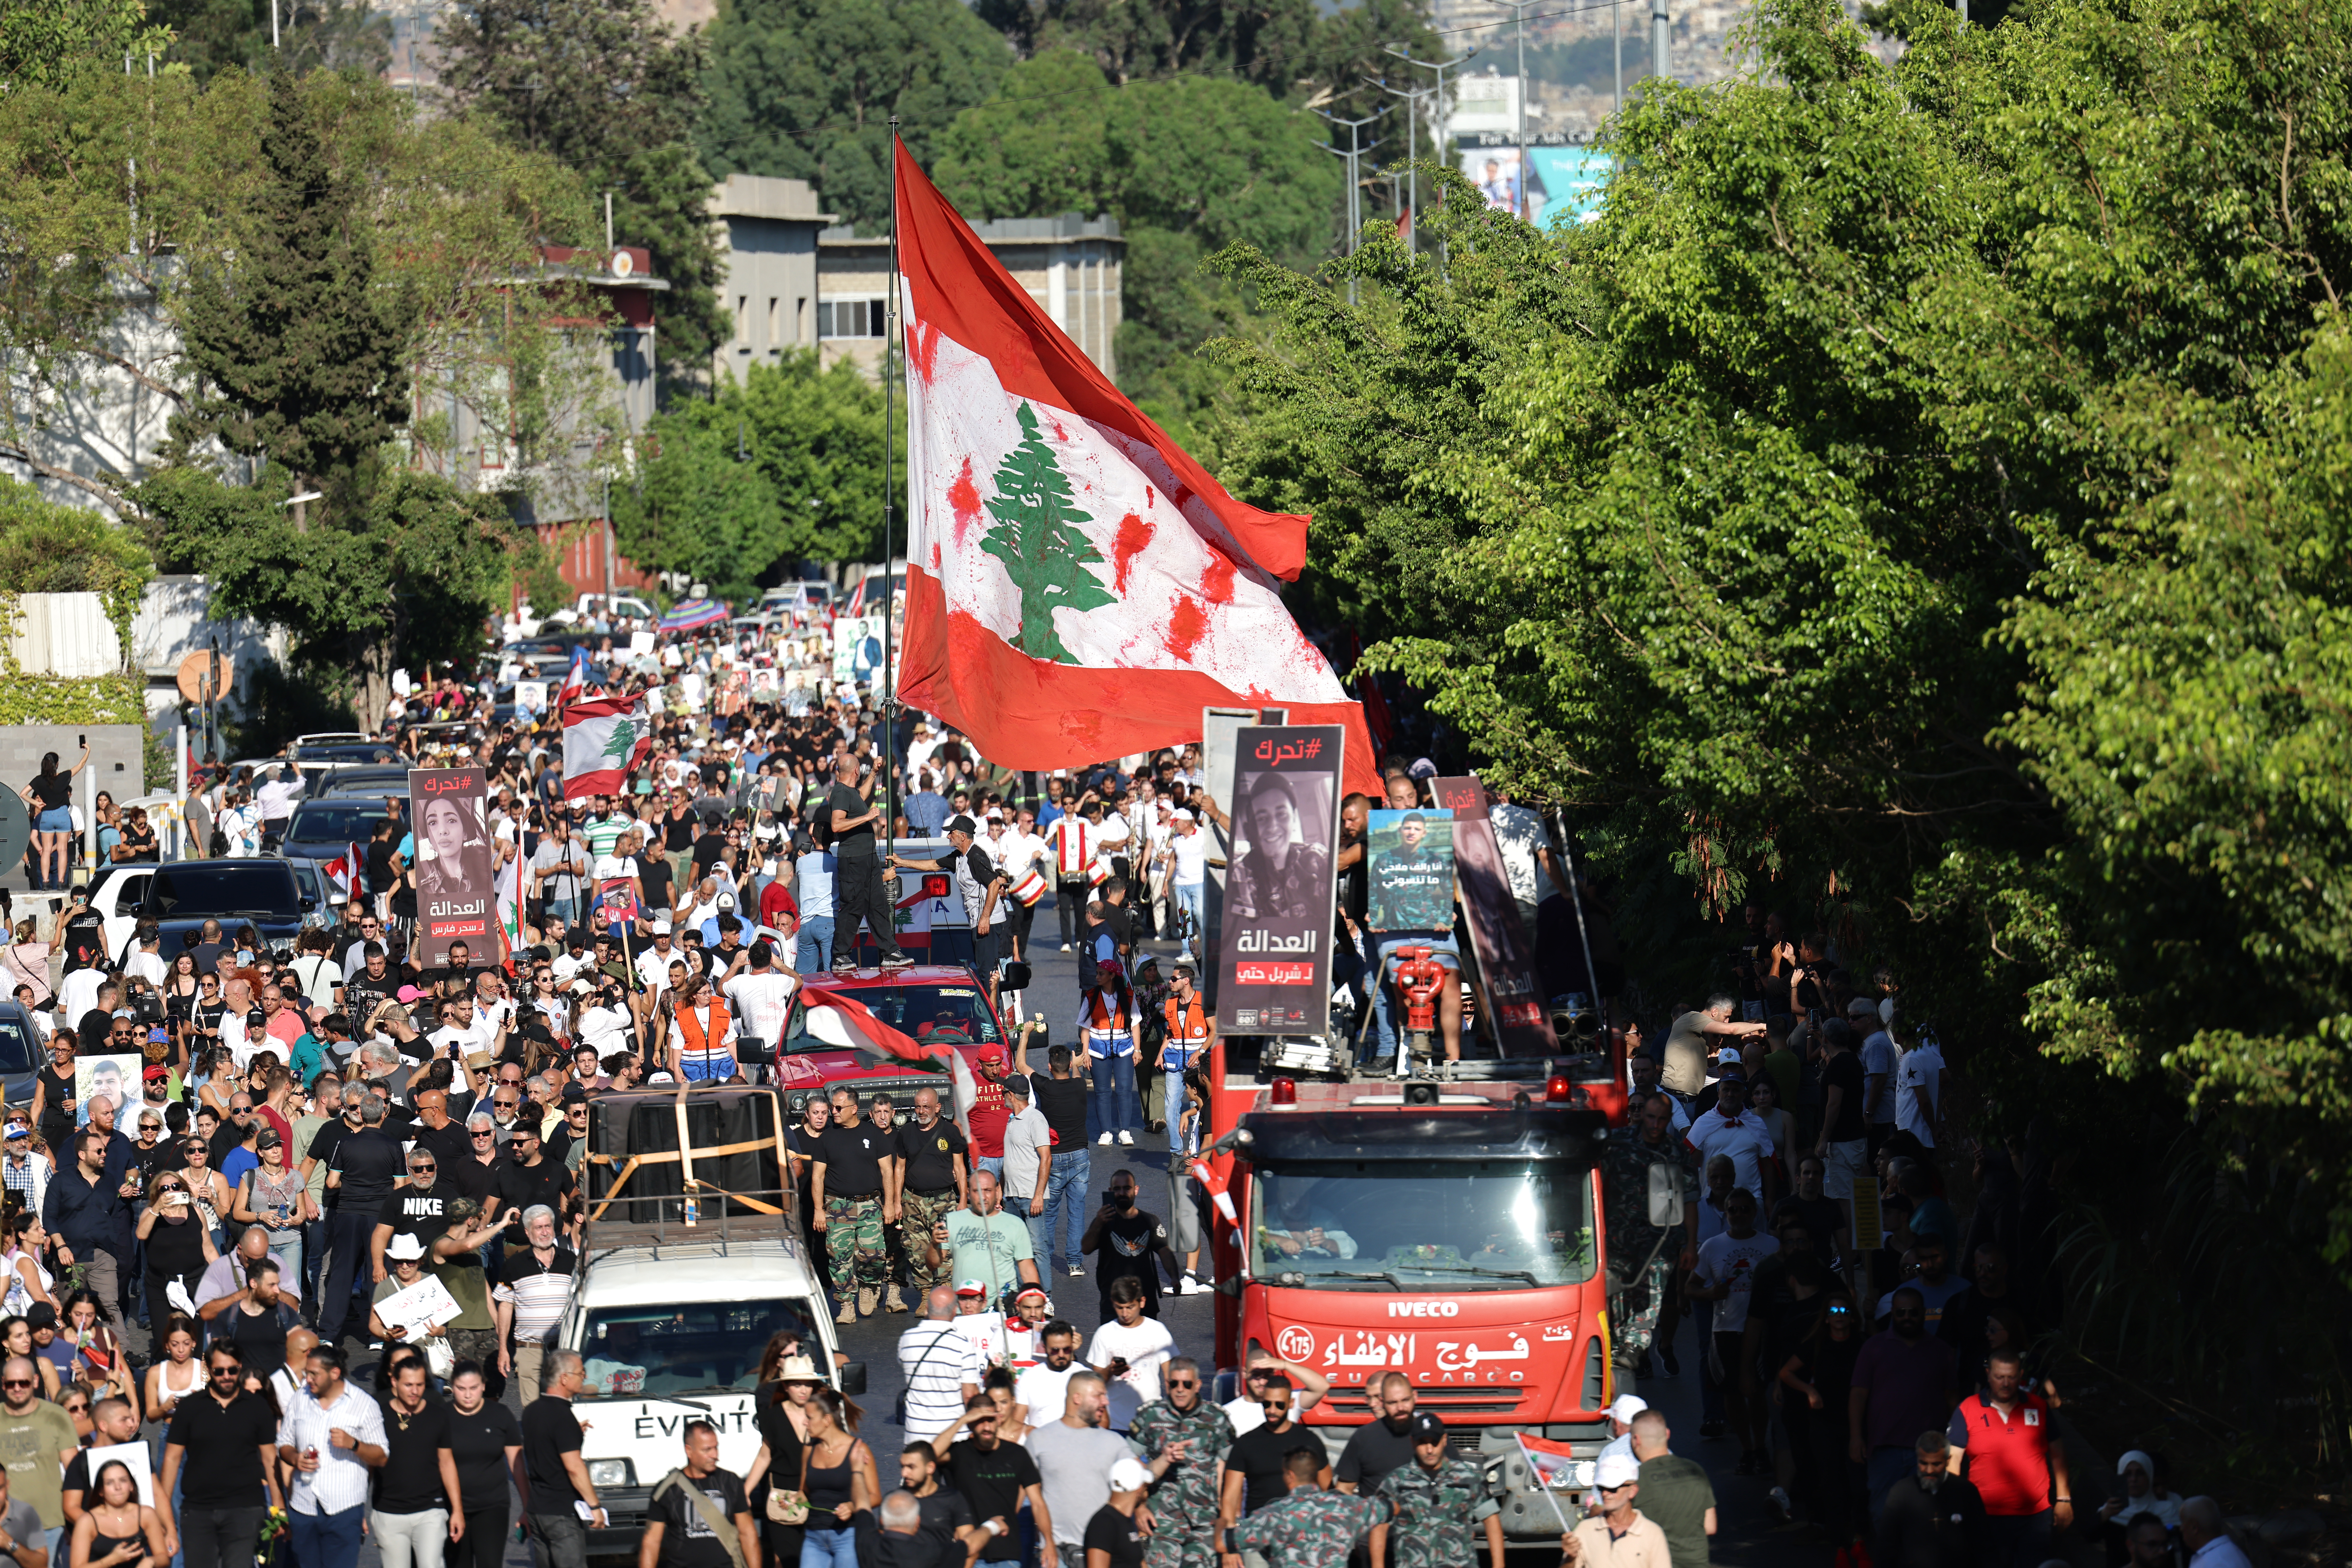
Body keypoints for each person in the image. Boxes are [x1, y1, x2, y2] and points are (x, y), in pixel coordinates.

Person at [160, 1344, 284, 1568]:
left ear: (240, 1368)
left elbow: (269, 1459)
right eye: (219, 1371)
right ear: (209, 1370)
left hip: (245, 1508)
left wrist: (279, 1507)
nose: (226, 1377)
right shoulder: (190, 1407)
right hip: (198, 1510)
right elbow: (171, 1460)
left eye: (232, 1371)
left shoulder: (257, 1407)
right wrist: (165, 1514)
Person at [1946, 1348, 2070, 1568]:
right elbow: (1953, 1461)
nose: (2006, 1383)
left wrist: (2064, 1499)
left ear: (2020, 1375)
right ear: (1988, 1374)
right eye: (1999, 1377)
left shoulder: (2038, 1407)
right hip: (1986, 1516)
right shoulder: (1968, 1409)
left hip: (2036, 1515)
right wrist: (1956, 1505)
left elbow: (2058, 1454)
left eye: (2012, 1377)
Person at [1684, 1186, 1778, 1474]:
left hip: (1761, 1331)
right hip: (1725, 1330)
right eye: (1732, 1209)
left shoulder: (1772, 1245)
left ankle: (1761, 1446)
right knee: (1732, 1394)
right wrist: (1712, 1292)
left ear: (1754, 1212)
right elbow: (1690, 1287)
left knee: (1758, 1392)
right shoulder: (1712, 1246)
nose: (1738, 1214)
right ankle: (1747, 1449)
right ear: (1725, 1214)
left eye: (1744, 1209)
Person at [1605, 1093, 1699, 1373]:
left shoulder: (1676, 1153)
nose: (1655, 1124)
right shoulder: (1617, 1142)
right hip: (1620, 1239)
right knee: (1620, 1296)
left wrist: (1691, 1245)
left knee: (1653, 1293)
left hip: (1661, 1240)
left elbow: (1690, 1199)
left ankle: (1636, 1345)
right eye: (1650, 1117)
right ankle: (1618, 1342)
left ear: (1669, 1120)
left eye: (1661, 1119)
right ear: (1639, 1114)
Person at [1850, 1288, 1959, 1520]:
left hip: (1930, 1450)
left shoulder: (1941, 1350)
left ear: (1924, 1313)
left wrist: (1958, 1442)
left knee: (1929, 1516)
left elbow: (1952, 1398)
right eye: (1901, 1313)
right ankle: (1890, 1557)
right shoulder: (1873, 1347)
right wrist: (1856, 1436)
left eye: (1913, 1312)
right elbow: (1858, 1394)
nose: (1907, 1317)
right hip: (1884, 1450)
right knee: (1883, 1514)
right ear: (1892, 1313)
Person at [1127, 1354, 1234, 1568]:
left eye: (1187, 1384)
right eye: (1174, 1383)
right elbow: (1128, 1462)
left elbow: (1233, 1469)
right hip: (1161, 1523)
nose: (1180, 1389)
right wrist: (1139, 1506)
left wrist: (1229, 1518)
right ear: (1167, 1384)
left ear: (1197, 1385)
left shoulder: (1216, 1419)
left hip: (1205, 1523)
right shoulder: (1150, 1416)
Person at [1365, 1411, 1501, 1568]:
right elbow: (1379, 1526)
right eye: (1423, 1443)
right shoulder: (1396, 1481)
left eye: (1434, 1442)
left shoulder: (1468, 1478)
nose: (1430, 1450)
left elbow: (1491, 1519)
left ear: (1444, 1441)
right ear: (1413, 1443)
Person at [929, 1395, 1050, 1568]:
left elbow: (1038, 1503)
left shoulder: (1018, 1454)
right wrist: (960, 1422)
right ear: (970, 1424)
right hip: (968, 1553)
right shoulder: (959, 1453)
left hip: (1007, 1553)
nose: (987, 1427)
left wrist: (1049, 1544)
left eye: (991, 1420)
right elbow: (931, 1457)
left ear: (999, 1419)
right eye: (980, 1421)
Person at [1027, 1373, 1131, 1568]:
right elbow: (1025, 1496)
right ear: (1078, 1398)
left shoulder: (1114, 1442)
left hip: (1098, 1554)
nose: (1106, 1402)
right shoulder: (1040, 1439)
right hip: (1054, 1554)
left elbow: (1138, 1477)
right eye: (1099, 1396)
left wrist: (1165, 1459)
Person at [812, 1087, 895, 1324]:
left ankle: (868, 1286)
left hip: (870, 1204)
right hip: (838, 1206)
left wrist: (889, 1204)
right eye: (832, 1108)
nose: (834, 1112)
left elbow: (887, 1171)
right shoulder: (827, 1138)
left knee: (875, 1255)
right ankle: (847, 1304)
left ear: (854, 1109)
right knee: (840, 1258)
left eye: (839, 1108)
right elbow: (818, 1176)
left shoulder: (875, 1135)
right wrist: (819, 1210)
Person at [1227, 1446, 1389, 1568]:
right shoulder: (1349, 1507)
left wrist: (1226, 1522)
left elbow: (1225, 1542)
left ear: (1290, 1476)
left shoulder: (1274, 1513)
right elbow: (1390, 1508)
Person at [522, 1350, 605, 1568]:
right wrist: (595, 1506)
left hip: (537, 1511)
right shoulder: (563, 1418)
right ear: (564, 1378)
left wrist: (571, 1433)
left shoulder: (532, 1412)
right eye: (581, 1373)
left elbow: (545, 1444)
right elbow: (574, 1468)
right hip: (561, 1514)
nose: (584, 1377)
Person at [641, 1420, 759, 1568]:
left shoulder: (731, 1482)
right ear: (689, 1451)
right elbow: (651, 1543)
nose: (715, 1455)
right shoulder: (667, 1489)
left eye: (716, 1448)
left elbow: (748, 1535)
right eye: (707, 1450)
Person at [444, 1361, 523, 1568]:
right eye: (462, 1389)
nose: (468, 1395)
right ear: (452, 1387)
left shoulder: (501, 1415)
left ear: (484, 1386)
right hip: (450, 1507)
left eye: (474, 1388)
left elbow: (518, 1464)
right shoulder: (442, 1417)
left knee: (490, 1563)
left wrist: (528, 1506)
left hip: (492, 1506)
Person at [495, 1205, 577, 1404]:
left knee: (565, 1410)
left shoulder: (571, 1260)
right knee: (533, 1414)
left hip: (564, 1350)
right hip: (529, 1351)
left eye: (548, 1226)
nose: (545, 1232)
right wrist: (503, 1349)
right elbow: (505, 1306)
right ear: (527, 1232)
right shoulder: (514, 1265)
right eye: (539, 1228)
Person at [893, 1089, 968, 1300]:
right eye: (917, 1106)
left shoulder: (951, 1132)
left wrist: (963, 1200)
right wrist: (897, 1201)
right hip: (913, 1201)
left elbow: (960, 1168)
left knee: (946, 1248)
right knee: (917, 1249)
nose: (921, 1111)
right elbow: (900, 1168)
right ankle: (925, 1295)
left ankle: (944, 1294)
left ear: (938, 1108)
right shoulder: (906, 1132)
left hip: (944, 1201)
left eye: (926, 1107)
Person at [0, 1352, 75, 1558]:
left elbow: (74, 1472)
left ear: (35, 1381)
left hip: (50, 1524)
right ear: (3, 1383)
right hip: (6, 1525)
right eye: (11, 1384)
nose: (17, 1389)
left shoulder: (56, 1415)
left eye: (23, 1383)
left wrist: (74, 1519)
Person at [1874, 1432, 1985, 1568]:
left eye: (1936, 1464)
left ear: (1948, 1461)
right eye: (1923, 1463)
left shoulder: (1966, 1492)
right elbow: (1887, 1544)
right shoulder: (1901, 1493)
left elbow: (1982, 1542)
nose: (1929, 1470)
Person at [927, 1172, 1041, 1304]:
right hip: (965, 1309)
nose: (983, 1197)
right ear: (968, 1192)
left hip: (1003, 1310)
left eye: (988, 1191)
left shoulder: (1015, 1224)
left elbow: (1027, 1270)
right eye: (977, 1191)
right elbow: (933, 1265)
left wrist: (1037, 1304)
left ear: (997, 1191)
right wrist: (934, 1244)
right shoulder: (952, 1221)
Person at [798, 1388, 879, 1568]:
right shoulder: (808, 1450)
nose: (805, 1423)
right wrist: (791, 1499)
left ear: (827, 1420)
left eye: (809, 1418)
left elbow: (875, 1496)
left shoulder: (859, 1450)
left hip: (847, 1537)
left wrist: (852, 1506)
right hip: (814, 1538)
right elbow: (805, 1492)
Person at [898, 1285, 985, 1445]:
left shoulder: (907, 1339)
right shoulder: (963, 1343)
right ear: (954, 1311)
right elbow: (969, 1395)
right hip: (955, 1436)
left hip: (917, 1436)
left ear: (927, 1308)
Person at [1625, 1413, 1713, 1568]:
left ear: (1636, 1440)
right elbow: (1710, 1526)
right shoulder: (1695, 1470)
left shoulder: (1634, 1481)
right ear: (1667, 1434)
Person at [1086, 1280, 1174, 1431]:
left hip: (1151, 1423)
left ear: (1142, 1302)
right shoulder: (1104, 1333)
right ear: (1113, 1303)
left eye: (1130, 1307)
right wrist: (1111, 1371)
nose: (1125, 1314)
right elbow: (1096, 1382)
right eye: (1120, 1308)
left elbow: (1171, 1376)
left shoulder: (1158, 1330)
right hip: (1116, 1423)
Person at [1558, 1453, 1670, 1568]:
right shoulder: (1585, 1529)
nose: (1605, 1494)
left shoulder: (1652, 1533)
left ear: (1633, 1491)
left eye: (1613, 1488)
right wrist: (1570, 1558)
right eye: (1601, 1488)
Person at [64, 1457, 164, 1568]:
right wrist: (111, 1560)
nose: (118, 1487)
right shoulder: (88, 1521)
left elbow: (163, 1558)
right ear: (101, 1491)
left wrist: (150, 1562)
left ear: (132, 1485)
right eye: (110, 1483)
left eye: (123, 1480)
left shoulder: (146, 1514)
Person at [1332, 1376, 1420, 1500]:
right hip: (1379, 1517)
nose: (1400, 1408)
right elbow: (1344, 1489)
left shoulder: (1431, 1431)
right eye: (1393, 1403)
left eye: (1405, 1400)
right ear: (1384, 1402)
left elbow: (1455, 1478)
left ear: (1415, 1397)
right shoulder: (1364, 1437)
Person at [2177, 1498, 2252, 1568]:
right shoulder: (2230, 1552)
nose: (2181, 1529)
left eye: (2182, 1522)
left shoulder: (2213, 1563)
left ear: (2194, 1528)